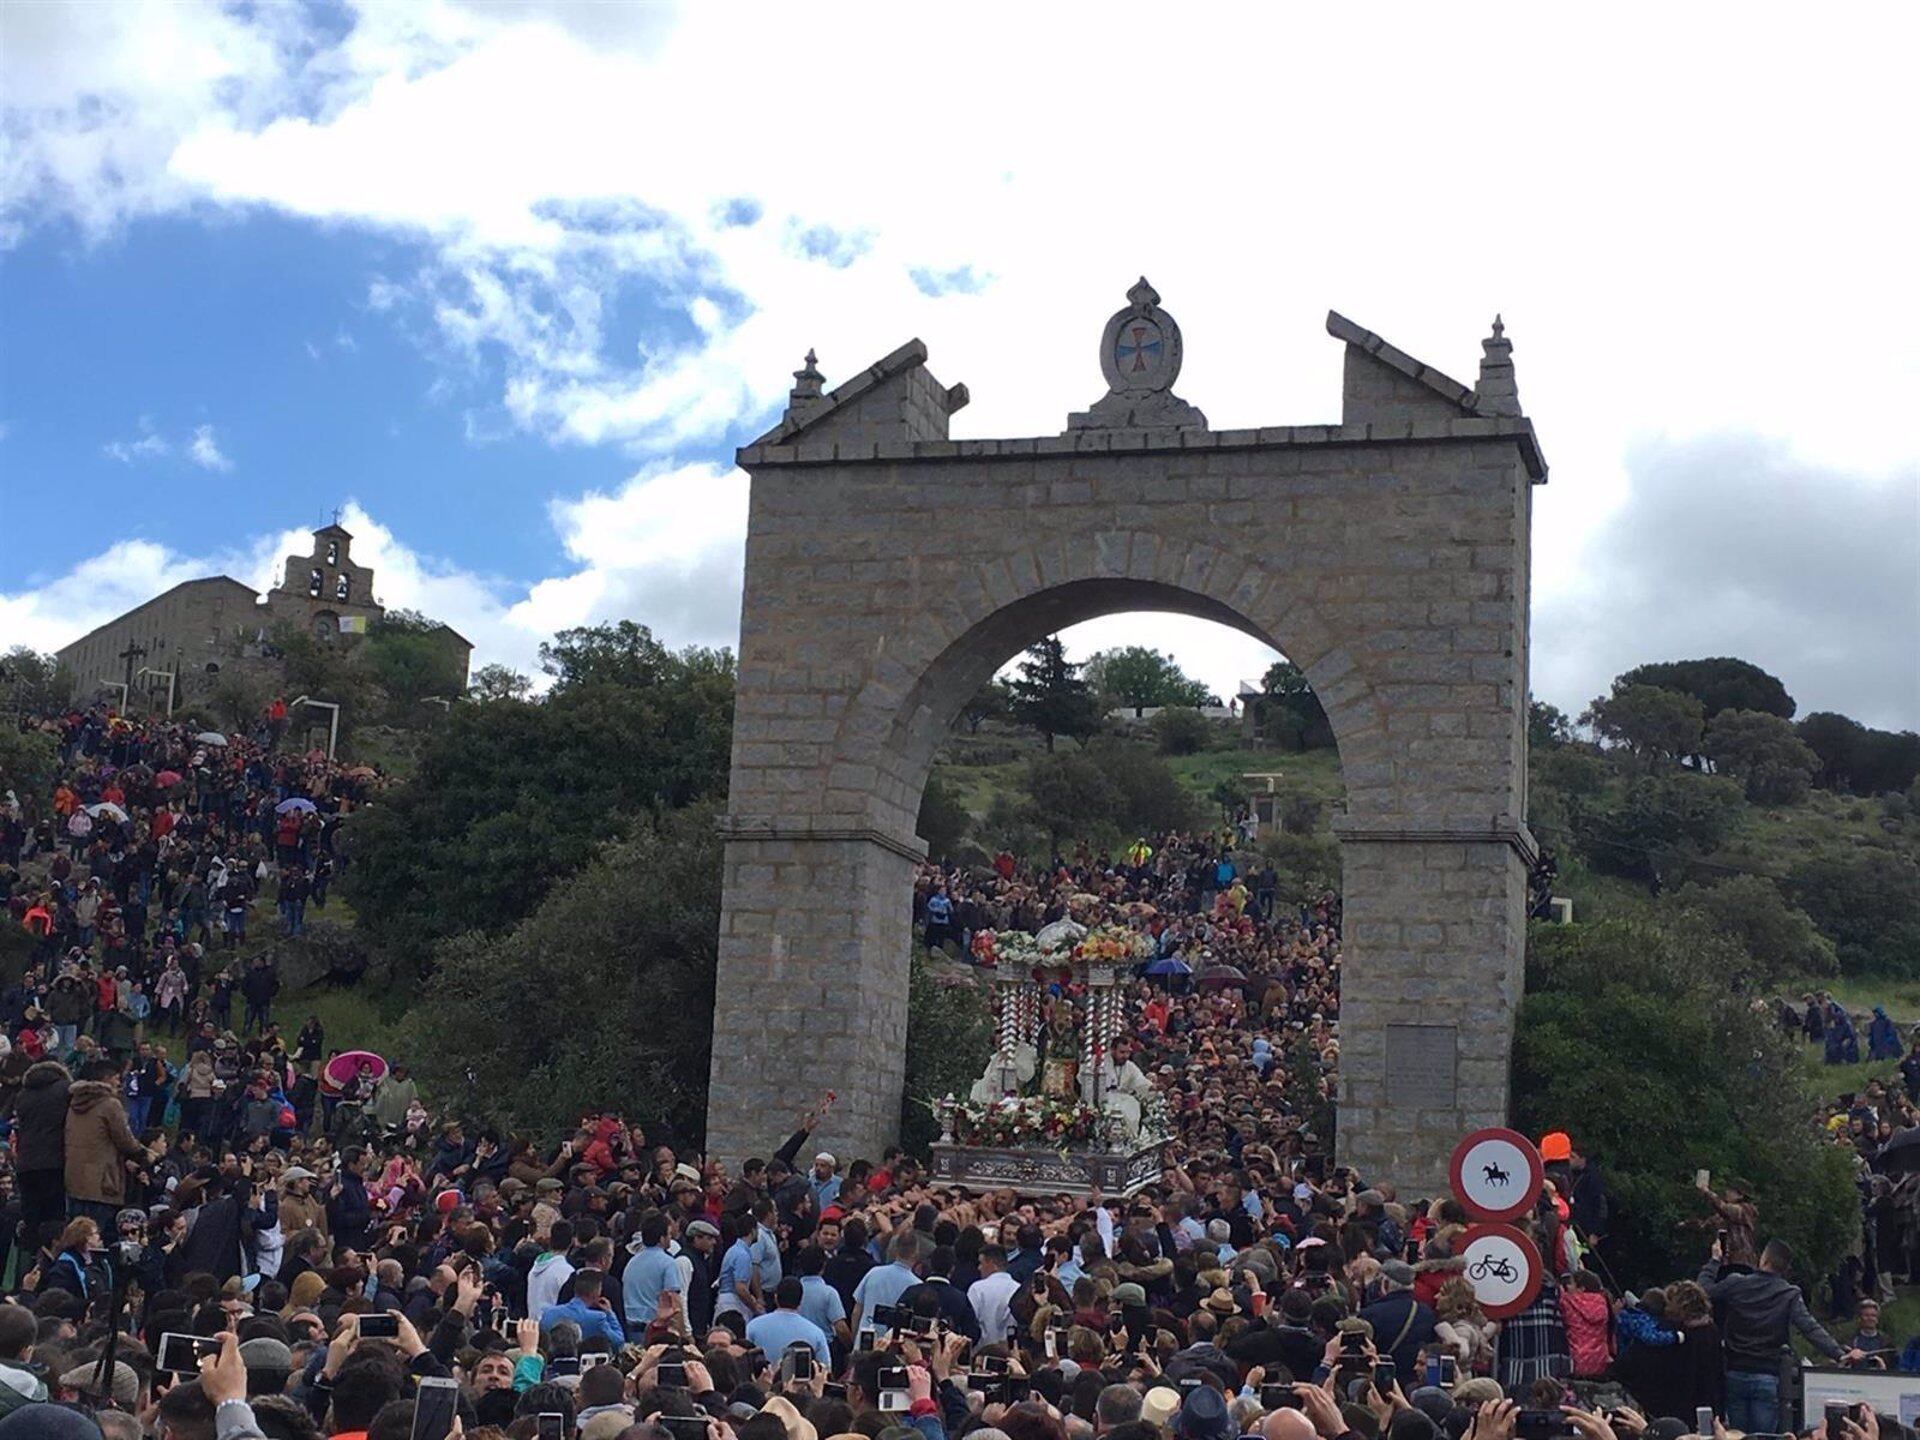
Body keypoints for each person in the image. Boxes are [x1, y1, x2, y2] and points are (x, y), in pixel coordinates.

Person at [1700, 1236, 1861, 1432]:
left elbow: (1704, 1291)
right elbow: (1810, 1328)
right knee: (1765, 1436)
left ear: (1763, 1260)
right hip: (1768, 1373)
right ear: (1785, 1267)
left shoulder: (1737, 1284)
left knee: (1737, 1434)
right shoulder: (1788, 1294)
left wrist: (1714, 1261)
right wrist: (1838, 1353)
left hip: (1736, 1370)